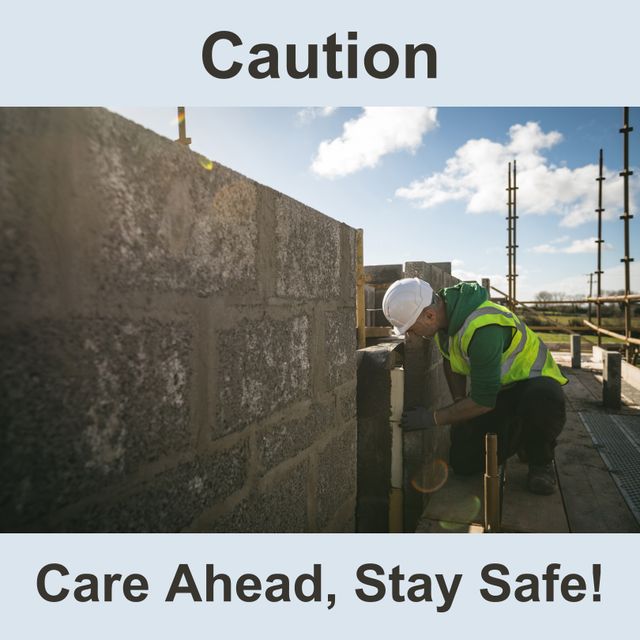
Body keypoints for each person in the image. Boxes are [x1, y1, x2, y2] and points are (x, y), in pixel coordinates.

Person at [381, 277, 567, 495]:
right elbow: (451, 361)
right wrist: (459, 402)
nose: (413, 335)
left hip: (533, 385)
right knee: (463, 461)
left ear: (429, 315)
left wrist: (431, 418)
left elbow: (483, 401)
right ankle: (522, 436)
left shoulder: (484, 329)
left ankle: (540, 460)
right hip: (501, 392)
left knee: (541, 402)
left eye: (412, 328)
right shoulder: (444, 322)